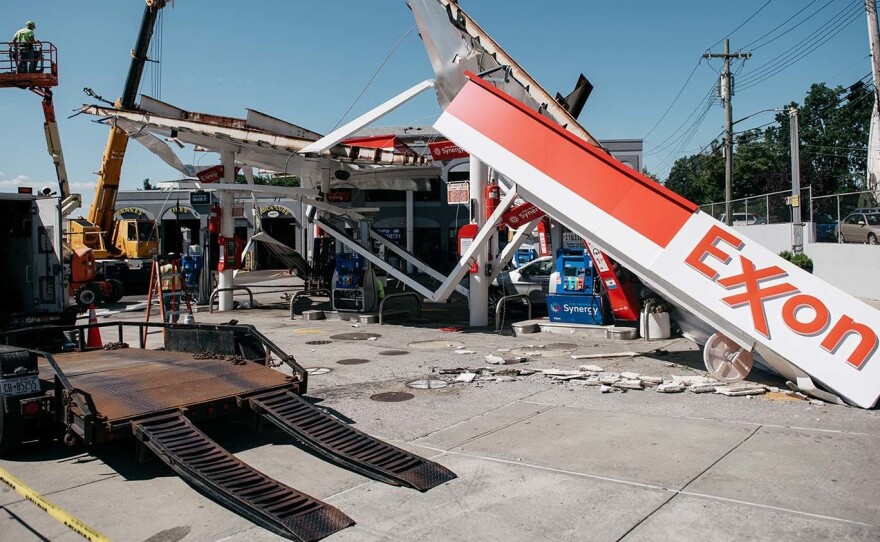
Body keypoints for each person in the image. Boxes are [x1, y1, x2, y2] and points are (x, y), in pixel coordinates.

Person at [160, 253, 183, 323]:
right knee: (176, 305)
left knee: (166, 305)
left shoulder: (162, 268)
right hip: (176, 289)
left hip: (165, 289)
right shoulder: (178, 268)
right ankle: (175, 320)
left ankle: (166, 321)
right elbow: (182, 277)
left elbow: (158, 278)